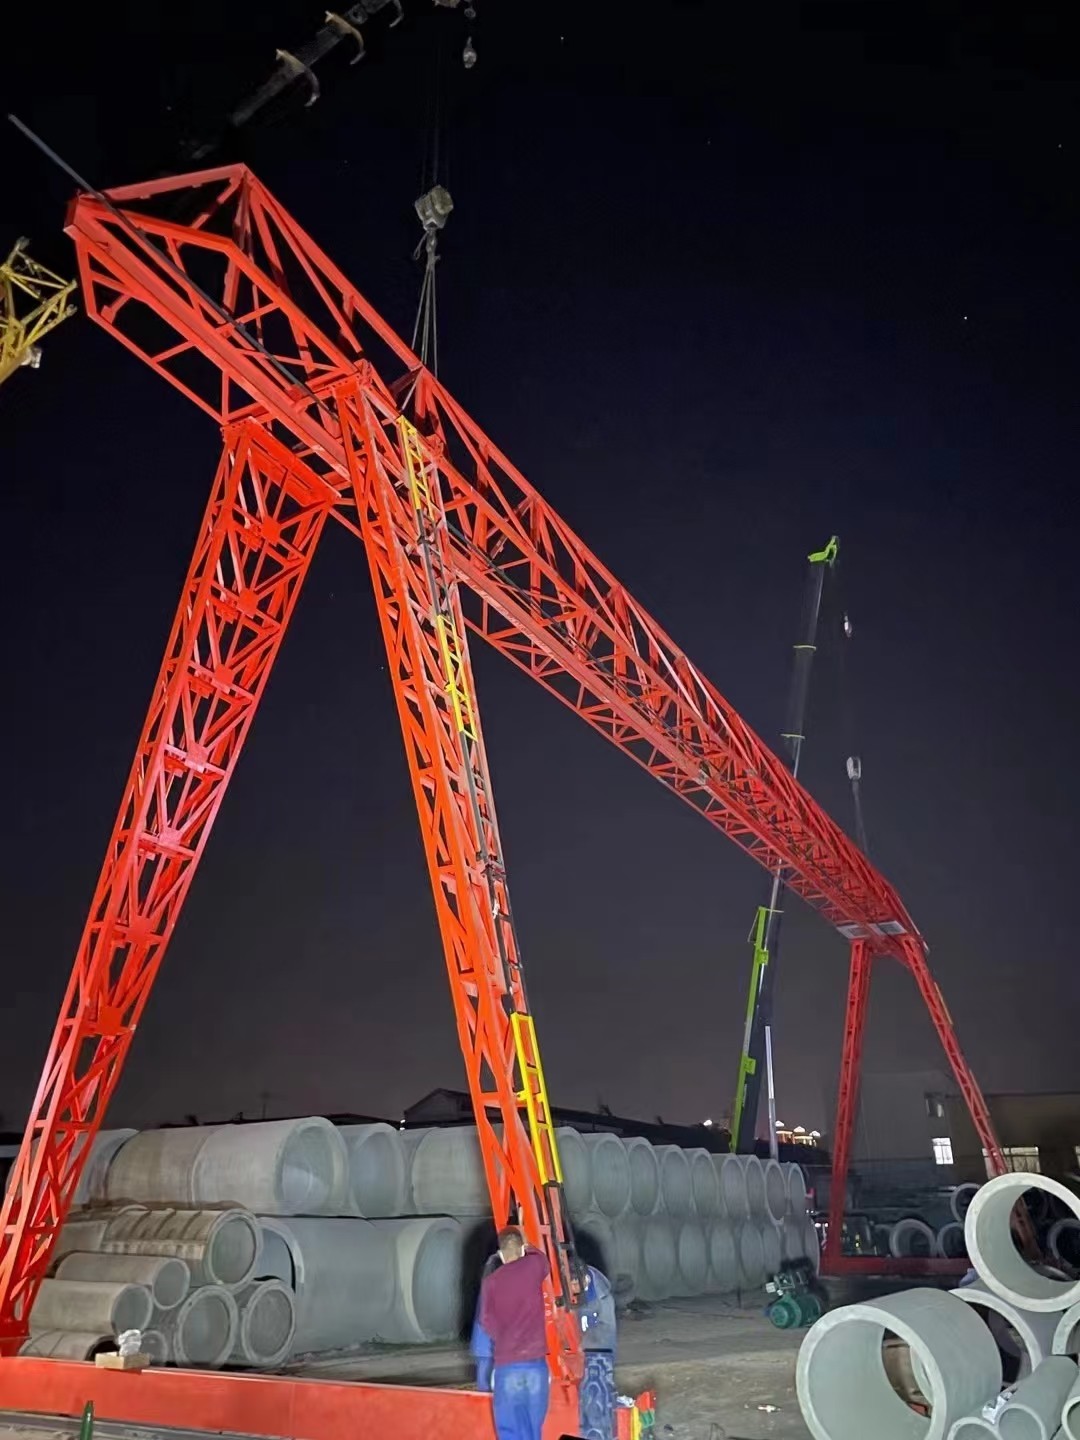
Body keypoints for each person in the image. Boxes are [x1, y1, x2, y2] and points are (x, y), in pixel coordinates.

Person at [478, 1226, 551, 1440]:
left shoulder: (490, 1283)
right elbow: (543, 1259)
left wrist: (504, 1339)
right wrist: (527, 1243)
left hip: (507, 1364)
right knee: (533, 1431)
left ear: (501, 1254)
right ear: (521, 1249)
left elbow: (486, 1322)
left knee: (509, 1431)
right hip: (535, 1364)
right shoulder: (533, 1266)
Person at [578, 1265, 618, 1440]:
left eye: (576, 1286)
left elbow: (604, 1337)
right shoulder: (575, 1286)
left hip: (598, 1355)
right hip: (585, 1354)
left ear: (585, 1280)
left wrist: (582, 1346)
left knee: (597, 1397)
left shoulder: (602, 1298)